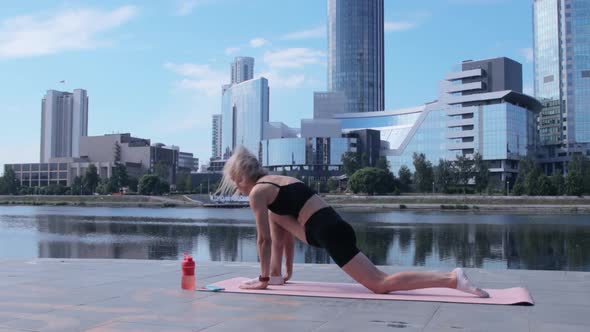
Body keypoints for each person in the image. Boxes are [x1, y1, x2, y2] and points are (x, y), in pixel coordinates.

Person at [217, 146, 489, 297]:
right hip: (328, 226)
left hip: (326, 231)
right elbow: (281, 234)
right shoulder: (278, 181)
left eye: (235, 182)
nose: (237, 189)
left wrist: (261, 279)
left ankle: (452, 279)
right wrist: (286, 272)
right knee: (276, 217)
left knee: (380, 284)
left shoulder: (257, 192)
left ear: (242, 177)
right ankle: (276, 275)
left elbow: (263, 240)